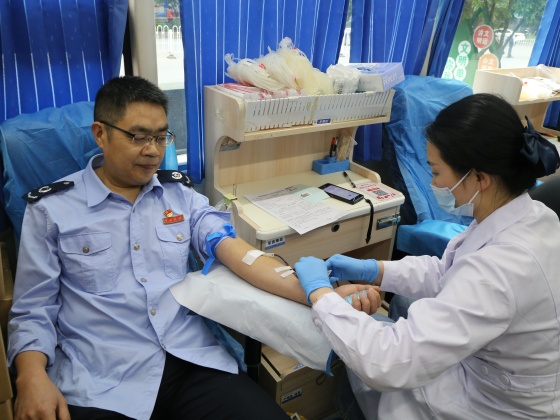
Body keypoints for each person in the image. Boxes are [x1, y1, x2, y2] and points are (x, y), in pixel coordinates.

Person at [7, 75, 378, 420]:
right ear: (100, 134)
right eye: (138, 137)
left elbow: (239, 254)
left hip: (188, 361)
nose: (153, 151)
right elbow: (33, 308)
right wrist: (31, 377)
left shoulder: (179, 196)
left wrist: (321, 294)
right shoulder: (51, 210)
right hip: (100, 379)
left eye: (160, 137)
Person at [294, 93, 560, 419]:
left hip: (495, 406)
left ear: (479, 178)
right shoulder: (529, 214)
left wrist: (320, 295)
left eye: (436, 172)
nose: (433, 182)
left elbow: (389, 362)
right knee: (393, 312)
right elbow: (449, 271)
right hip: (491, 366)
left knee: (357, 354)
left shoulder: (500, 268)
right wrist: (374, 269)